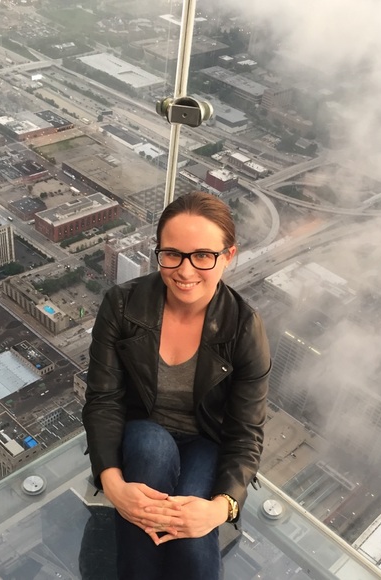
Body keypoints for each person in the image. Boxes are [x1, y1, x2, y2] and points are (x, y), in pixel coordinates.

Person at [82, 191, 271, 580]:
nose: (185, 271)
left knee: (191, 535)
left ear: (228, 256)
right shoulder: (122, 306)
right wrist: (113, 485)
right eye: (172, 254)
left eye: (203, 255)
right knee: (151, 448)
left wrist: (220, 508)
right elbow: (104, 401)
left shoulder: (244, 329)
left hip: (206, 442)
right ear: (159, 253)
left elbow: (246, 432)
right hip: (140, 435)